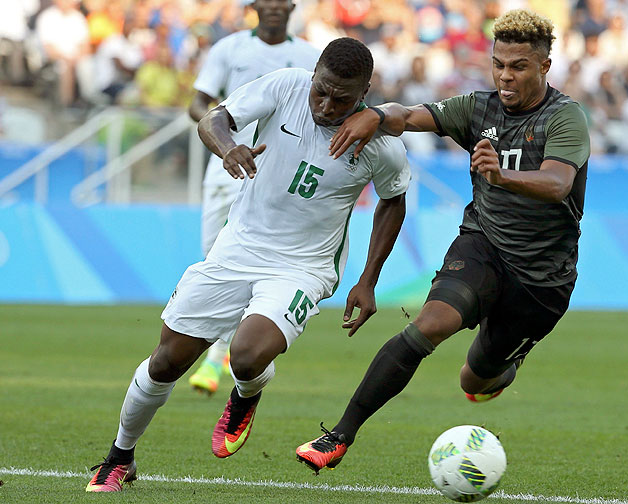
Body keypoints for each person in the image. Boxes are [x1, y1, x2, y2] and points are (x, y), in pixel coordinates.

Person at [85, 37, 411, 492]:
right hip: (236, 248)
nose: (326, 104)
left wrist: (368, 280)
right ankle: (119, 457)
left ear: (364, 92)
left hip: (303, 267)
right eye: (322, 90)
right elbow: (213, 118)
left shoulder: (382, 144)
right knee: (166, 362)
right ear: (313, 73)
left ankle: (246, 393)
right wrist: (228, 148)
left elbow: (393, 202)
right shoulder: (285, 87)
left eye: (342, 98)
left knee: (247, 353)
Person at [295, 9, 590, 474]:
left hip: (541, 282)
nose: (506, 76)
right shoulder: (478, 108)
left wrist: (501, 175)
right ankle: (338, 436)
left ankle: (503, 364)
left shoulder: (565, 117)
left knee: (476, 379)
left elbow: (557, 184)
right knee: (429, 325)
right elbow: (412, 115)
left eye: (519, 66)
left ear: (544, 67)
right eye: (499, 64)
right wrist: (374, 115)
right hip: (483, 248)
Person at [186, 0, 320, 396]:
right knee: (216, 260)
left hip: (277, 173)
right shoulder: (228, 49)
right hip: (226, 165)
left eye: (283, 1)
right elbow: (198, 101)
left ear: (292, 7)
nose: (275, 6)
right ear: (254, 6)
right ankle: (224, 350)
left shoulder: (309, 56)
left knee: (264, 260)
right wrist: (224, 134)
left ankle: (217, 357)